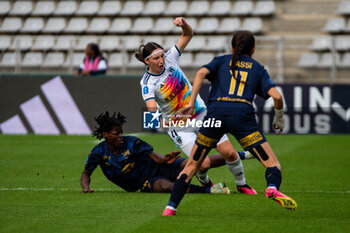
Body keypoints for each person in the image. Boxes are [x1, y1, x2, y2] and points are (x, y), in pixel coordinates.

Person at [162, 30, 297, 216]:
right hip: (242, 118)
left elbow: (201, 73)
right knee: (272, 164)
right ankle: (272, 187)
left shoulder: (221, 60)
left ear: (232, 47)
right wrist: (279, 118)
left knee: (192, 164)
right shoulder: (257, 68)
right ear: (254, 49)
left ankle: (170, 208)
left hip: (215, 115)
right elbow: (277, 96)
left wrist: (192, 102)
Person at [136, 17, 256, 194]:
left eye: (162, 56)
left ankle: (242, 184)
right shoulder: (147, 83)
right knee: (203, 162)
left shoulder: (171, 58)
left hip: (201, 115)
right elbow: (151, 107)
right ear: (147, 61)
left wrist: (183, 25)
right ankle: (205, 181)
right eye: (156, 59)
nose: (161, 60)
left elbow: (188, 35)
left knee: (229, 153)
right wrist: (159, 122)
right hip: (179, 126)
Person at [80, 111, 230, 194]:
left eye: (121, 133)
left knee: (195, 163)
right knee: (167, 187)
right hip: (144, 183)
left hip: (159, 167)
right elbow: (86, 173)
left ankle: (242, 155)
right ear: (106, 135)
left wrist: (165, 159)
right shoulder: (98, 153)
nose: (120, 136)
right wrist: (86, 188)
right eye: (116, 134)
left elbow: (153, 156)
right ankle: (210, 190)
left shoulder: (132, 142)